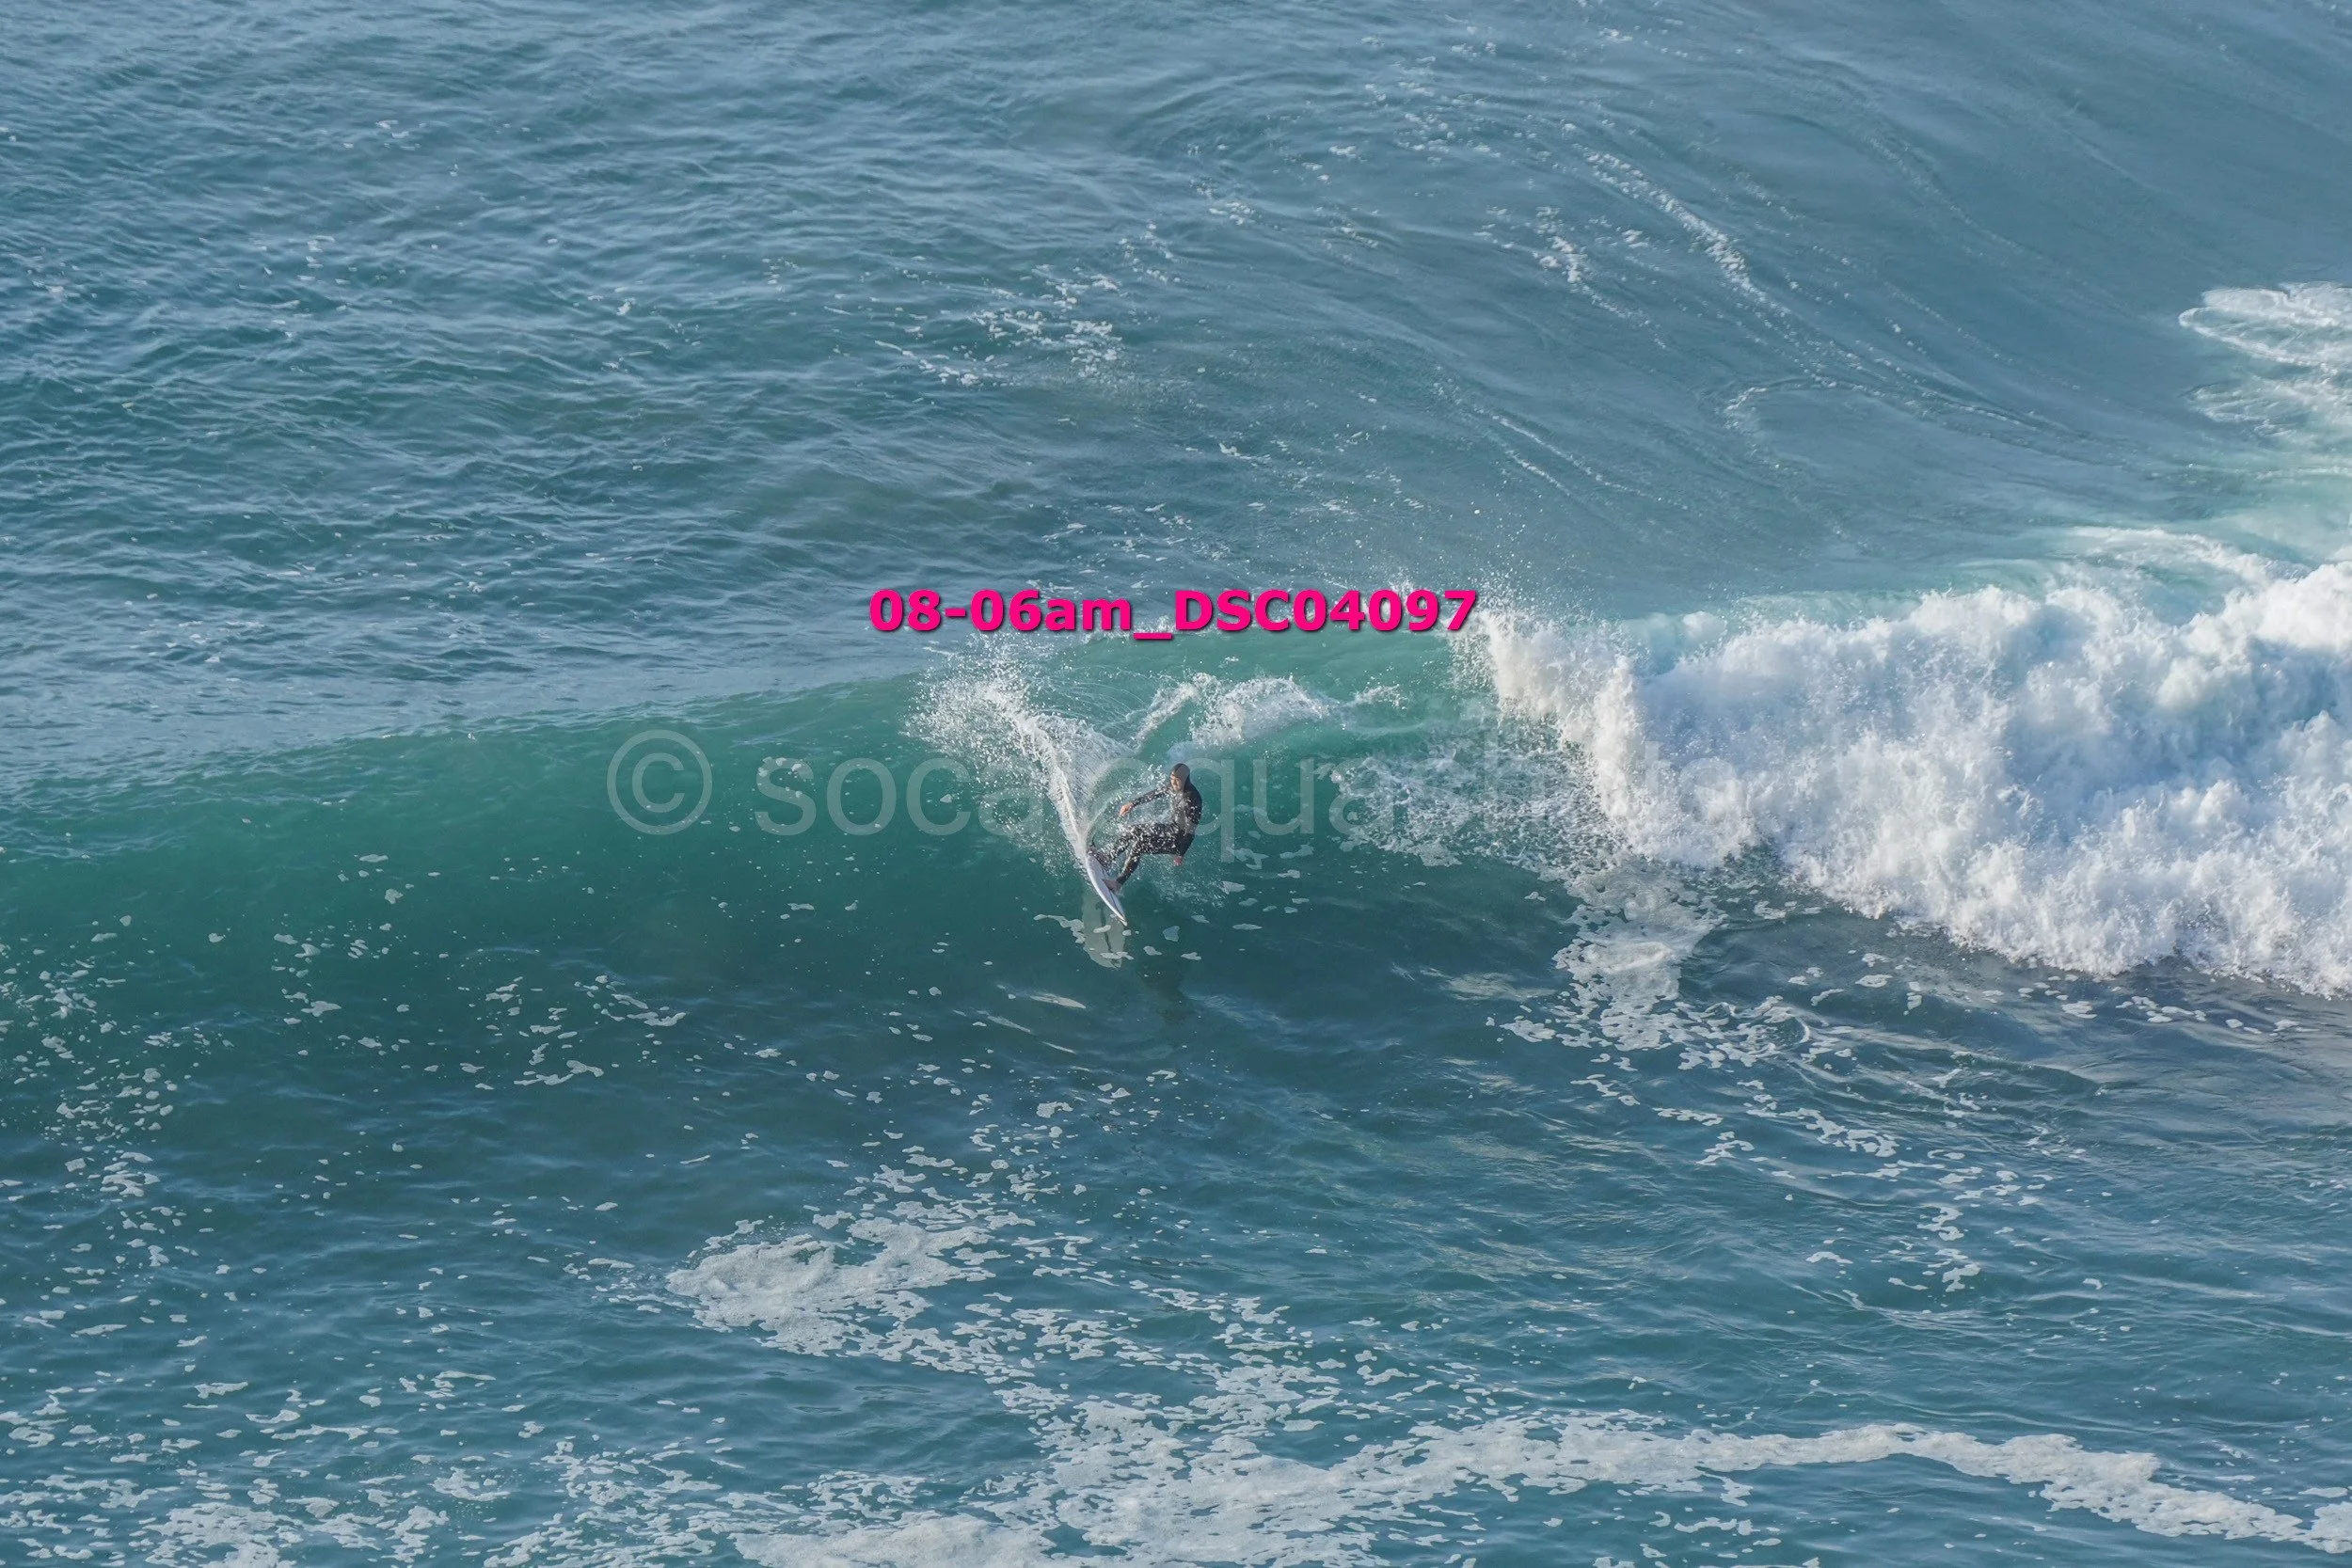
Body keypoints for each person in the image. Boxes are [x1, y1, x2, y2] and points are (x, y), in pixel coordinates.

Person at [1102, 762, 1201, 890]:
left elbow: (1191, 830)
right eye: (1171, 780)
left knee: (1140, 845)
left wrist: (1181, 854)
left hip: (1178, 840)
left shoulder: (1192, 799)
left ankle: (1118, 884)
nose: (1173, 783)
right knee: (1134, 830)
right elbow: (1154, 794)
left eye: (1177, 781)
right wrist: (1132, 803)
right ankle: (1108, 859)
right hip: (1171, 828)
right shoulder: (1173, 787)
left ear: (1185, 780)